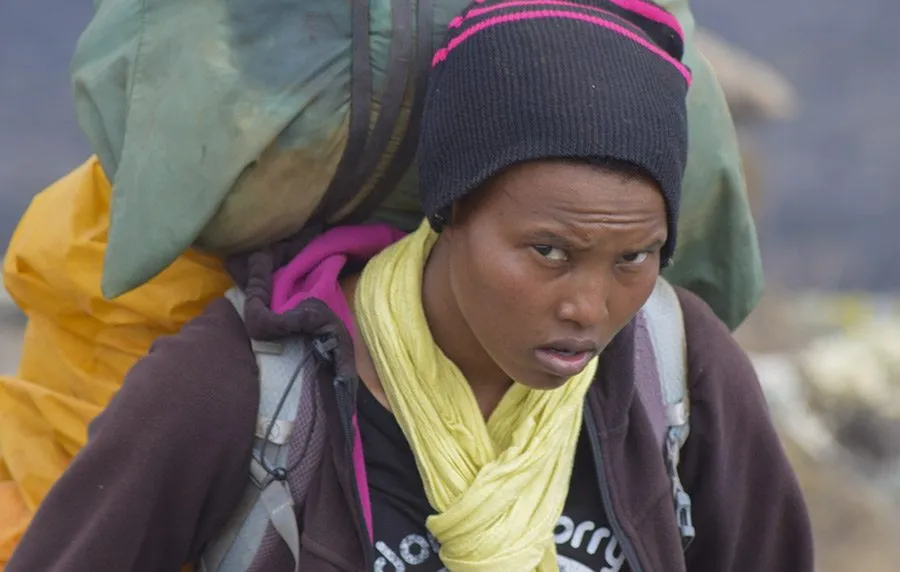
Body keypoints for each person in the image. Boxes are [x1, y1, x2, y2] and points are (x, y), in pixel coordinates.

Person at [7, 1, 812, 571]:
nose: (589, 308)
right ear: (449, 209)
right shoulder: (242, 395)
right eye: (547, 251)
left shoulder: (675, 369)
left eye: (635, 258)